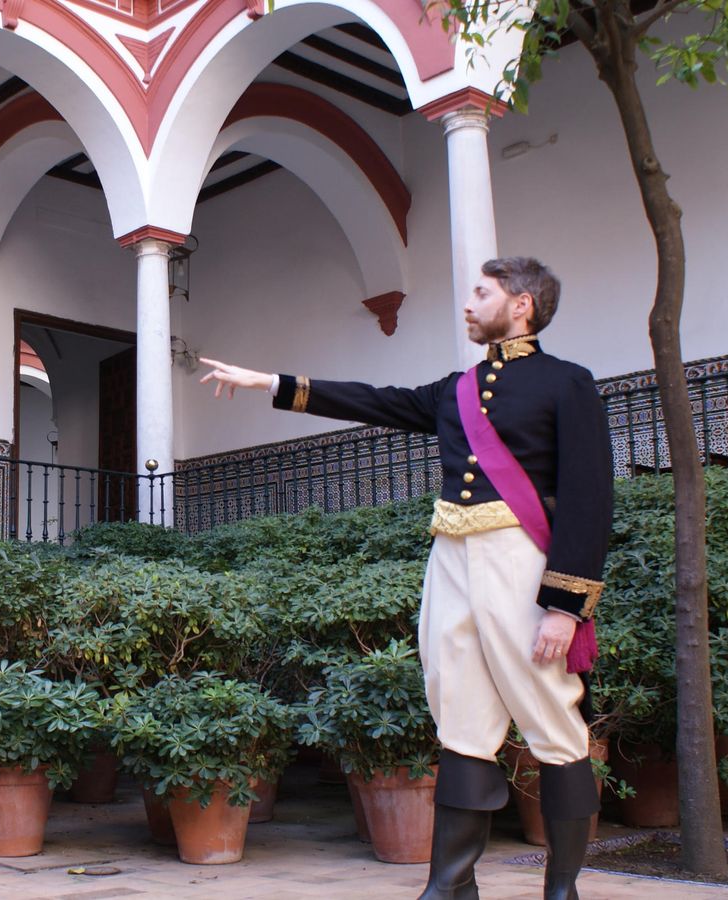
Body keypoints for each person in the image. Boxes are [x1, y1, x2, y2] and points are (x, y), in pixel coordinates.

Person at [200, 258, 612, 900]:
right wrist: (271, 383)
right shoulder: (458, 389)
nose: (469, 303)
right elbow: (378, 401)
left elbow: (589, 498)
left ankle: (562, 890)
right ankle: (449, 887)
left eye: (483, 293)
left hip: (521, 562)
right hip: (450, 557)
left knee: (552, 722)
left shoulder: (568, 384)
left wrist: (564, 606)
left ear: (523, 304)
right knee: (461, 719)